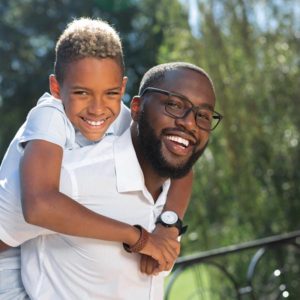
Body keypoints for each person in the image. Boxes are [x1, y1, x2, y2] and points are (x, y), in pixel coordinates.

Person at [0, 18, 192, 299]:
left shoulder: (125, 118)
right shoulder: (49, 116)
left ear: (123, 86)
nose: (97, 109)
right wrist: (140, 239)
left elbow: (181, 165)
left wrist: (168, 227)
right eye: (81, 93)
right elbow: (40, 205)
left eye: (111, 93)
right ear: (56, 88)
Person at [21, 62, 223, 299]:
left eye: (204, 116)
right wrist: (140, 239)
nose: (190, 123)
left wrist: (170, 224)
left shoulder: (170, 175)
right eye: (174, 105)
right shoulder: (69, 179)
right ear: (136, 108)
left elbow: (186, 171)